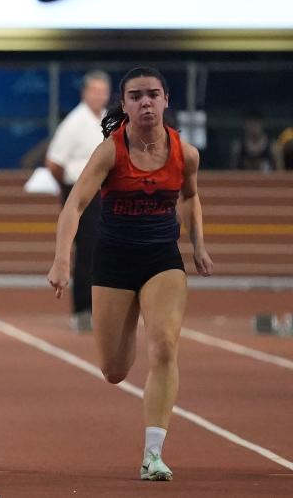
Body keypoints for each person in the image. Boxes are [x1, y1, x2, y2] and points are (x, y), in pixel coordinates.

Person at [46, 67, 213, 481]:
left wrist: (198, 245)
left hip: (161, 259)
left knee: (164, 347)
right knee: (114, 370)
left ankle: (152, 454)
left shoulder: (184, 153)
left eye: (153, 95)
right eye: (136, 96)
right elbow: (74, 206)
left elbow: (190, 198)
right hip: (114, 261)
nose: (145, 103)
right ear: (124, 105)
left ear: (166, 100)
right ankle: (133, 314)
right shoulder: (110, 151)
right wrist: (62, 260)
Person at [45, 70, 111, 331]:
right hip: (83, 192)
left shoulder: (109, 120)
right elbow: (54, 162)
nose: (99, 96)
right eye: (95, 90)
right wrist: (70, 188)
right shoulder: (74, 122)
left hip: (105, 192)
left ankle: (103, 307)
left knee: (105, 250)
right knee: (87, 250)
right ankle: (83, 308)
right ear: (85, 93)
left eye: (103, 91)